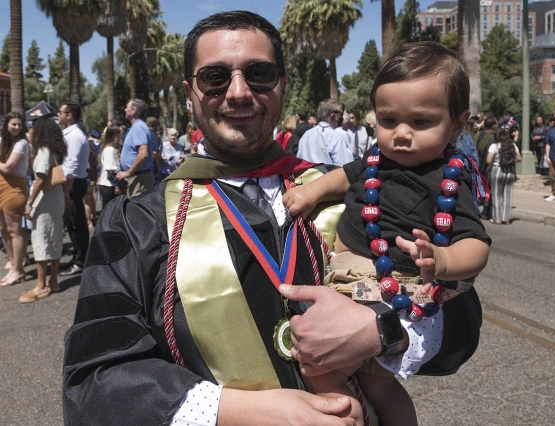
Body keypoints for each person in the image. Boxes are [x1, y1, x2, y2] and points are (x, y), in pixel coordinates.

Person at [62, 12, 484, 426]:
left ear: (282, 85)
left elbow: (460, 318)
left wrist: (385, 328)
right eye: (215, 77)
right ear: (190, 92)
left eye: (259, 73)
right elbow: (93, 381)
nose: (239, 92)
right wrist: (251, 413)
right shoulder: (138, 221)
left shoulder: (350, 193)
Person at [283, 41, 490, 426]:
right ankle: (348, 412)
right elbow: (341, 177)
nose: (402, 134)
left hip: (388, 290)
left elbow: (476, 245)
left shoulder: (448, 178)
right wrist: (309, 192)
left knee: (367, 383)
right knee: (323, 369)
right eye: (388, 120)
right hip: (341, 278)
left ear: (458, 124)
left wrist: (443, 260)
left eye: (421, 122)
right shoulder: (375, 160)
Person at [20, 117, 67, 302]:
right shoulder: (55, 150)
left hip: (43, 201)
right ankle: (53, 281)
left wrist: (30, 203)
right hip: (55, 199)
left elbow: (40, 178)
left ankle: (41, 285)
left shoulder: (43, 151)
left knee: (41, 239)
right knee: (54, 238)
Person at [58, 102, 90, 277]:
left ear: (69, 115)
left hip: (73, 184)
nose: (58, 114)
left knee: (75, 224)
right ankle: (79, 258)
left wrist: (65, 190)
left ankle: (80, 262)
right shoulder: (71, 134)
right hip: (72, 183)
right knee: (73, 223)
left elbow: (71, 165)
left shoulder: (74, 136)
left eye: (61, 112)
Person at [0, 112, 29, 286]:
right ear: (7, 125)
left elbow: (9, 167)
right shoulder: (4, 141)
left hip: (15, 189)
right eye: (13, 124)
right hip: (2, 187)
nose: (17, 127)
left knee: (14, 230)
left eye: (19, 124)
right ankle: (13, 265)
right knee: (3, 229)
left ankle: (18, 270)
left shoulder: (22, 143)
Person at [297, 98, 353, 166]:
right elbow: (344, 168)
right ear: (333, 116)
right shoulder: (336, 137)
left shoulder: (306, 135)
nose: (342, 117)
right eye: (340, 113)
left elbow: (299, 161)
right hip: (329, 176)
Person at [116, 99, 154, 198]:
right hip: (137, 177)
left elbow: (143, 154)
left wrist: (128, 172)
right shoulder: (136, 127)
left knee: (137, 211)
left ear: (133, 111)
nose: (125, 109)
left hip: (139, 179)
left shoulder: (138, 127)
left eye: (127, 107)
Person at [486, 128, 521, 224]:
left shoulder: (494, 146)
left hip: (497, 170)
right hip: (510, 171)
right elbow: (519, 158)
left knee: (497, 195)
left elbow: (488, 160)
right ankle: (506, 219)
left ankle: (497, 218)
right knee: (508, 195)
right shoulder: (512, 145)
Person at [97, 126, 122, 209]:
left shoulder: (111, 149)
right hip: (109, 185)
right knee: (109, 211)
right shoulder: (110, 150)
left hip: (109, 184)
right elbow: (111, 170)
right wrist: (118, 184)